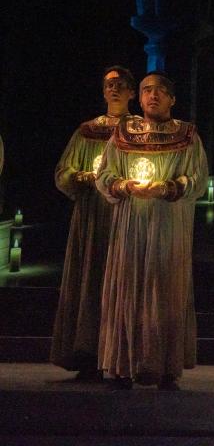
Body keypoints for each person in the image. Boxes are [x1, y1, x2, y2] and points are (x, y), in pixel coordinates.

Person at [96, 72, 207, 390]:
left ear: (172, 98)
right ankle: (123, 364)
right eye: (146, 91)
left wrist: (167, 187)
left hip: (168, 222)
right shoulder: (122, 133)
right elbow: (104, 174)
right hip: (130, 222)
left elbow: (197, 178)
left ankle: (164, 366)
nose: (152, 96)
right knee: (128, 285)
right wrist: (123, 185)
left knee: (165, 289)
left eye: (160, 91)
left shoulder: (186, 135)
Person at [50, 66, 137, 380]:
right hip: (92, 215)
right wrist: (84, 177)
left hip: (125, 213)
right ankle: (89, 353)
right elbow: (64, 172)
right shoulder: (88, 131)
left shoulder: (140, 131)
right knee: (92, 277)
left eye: (121, 85)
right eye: (109, 85)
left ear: (131, 92)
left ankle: (122, 355)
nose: (114, 90)